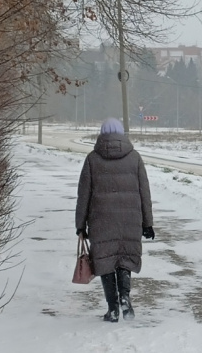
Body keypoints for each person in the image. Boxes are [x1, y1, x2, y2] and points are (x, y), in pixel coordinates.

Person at [76, 117, 154, 323]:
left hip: (101, 220)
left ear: (102, 134)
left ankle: (112, 309)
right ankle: (125, 298)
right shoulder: (134, 157)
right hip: (130, 219)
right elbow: (144, 192)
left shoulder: (92, 159)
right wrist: (148, 223)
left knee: (106, 261)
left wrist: (80, 224)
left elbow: (83, 194)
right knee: (124, 258)